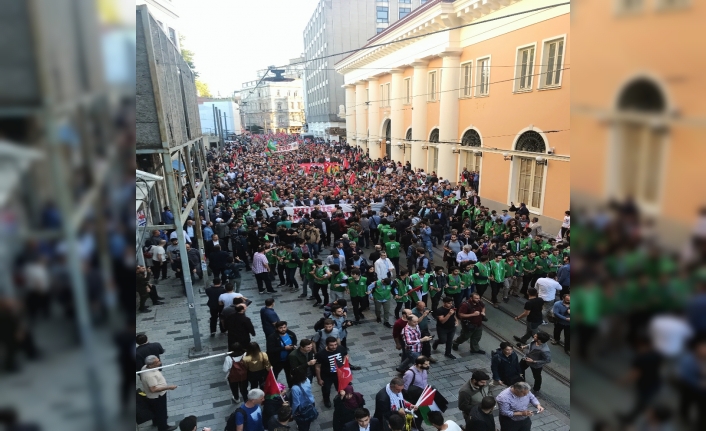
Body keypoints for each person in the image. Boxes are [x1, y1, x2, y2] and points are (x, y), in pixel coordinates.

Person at [140, 355, 179, 431]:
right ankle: (163, 427)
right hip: (157, 397)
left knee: (155, 411)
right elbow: (153, 389)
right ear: (151, 365)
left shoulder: (144, 367)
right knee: (162, 413)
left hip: (152, 397)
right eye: (157, 362)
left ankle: (156, 422)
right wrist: (168, 387)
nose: (160, 362)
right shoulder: (150, 376)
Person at [315, 336, 349, 408]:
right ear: (327, 345)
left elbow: (345, 355)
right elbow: (317, 367)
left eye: (335, 344)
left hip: (339, 374)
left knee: (340, 388)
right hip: (327, 376)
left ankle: (341, 399)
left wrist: (344, 363)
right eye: (331, 345)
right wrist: (319, 379)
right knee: (326, 390)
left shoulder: (340, 348)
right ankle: (326, 400)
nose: (334, 347)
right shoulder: (321, 354)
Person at [266, 321, 298, 386]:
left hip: (288, 360)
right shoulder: (272, 337)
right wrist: (284, 348)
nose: (283, 329)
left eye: (284, 327)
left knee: (289, 375)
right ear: (276, 328)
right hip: (277, 361)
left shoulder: (291, 334)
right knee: (274, 375)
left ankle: (291, 387)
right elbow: (270, 350)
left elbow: (294, 341)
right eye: (281, 328)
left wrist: (293, 346)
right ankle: (272, 388)